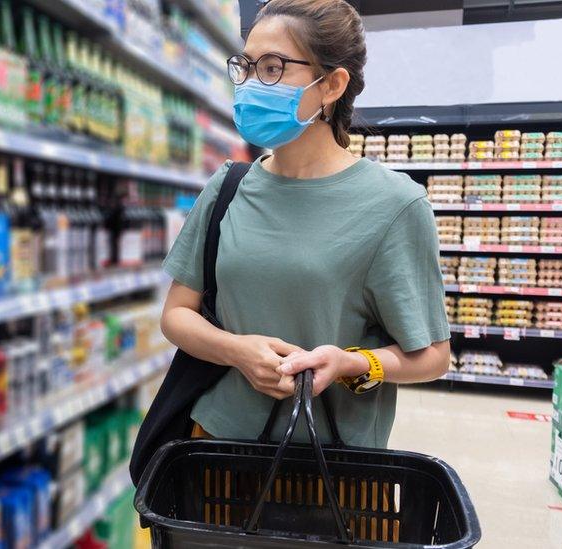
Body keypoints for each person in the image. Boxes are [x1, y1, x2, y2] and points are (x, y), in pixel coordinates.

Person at [160, 0, 450, 447]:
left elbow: (432, 356)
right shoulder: (229, 186)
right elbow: (177, 314)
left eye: (273, 68)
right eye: (246, 66)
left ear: (332, 84)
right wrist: (238, 352)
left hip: (330, 467)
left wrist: (351, 364)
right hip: (214, 447)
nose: (252, 84)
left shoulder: (395, 204)